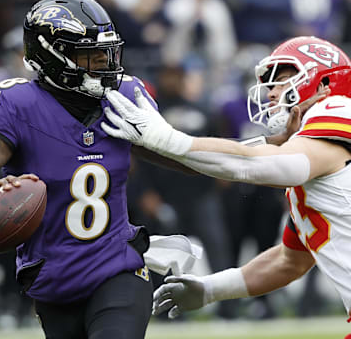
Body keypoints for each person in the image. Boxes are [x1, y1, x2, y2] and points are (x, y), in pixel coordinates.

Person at [0, 0, 199, 338]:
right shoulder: (16, 105)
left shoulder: (124, 96)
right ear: (51, 57)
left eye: (106, 53)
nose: (105, 63)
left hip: (117, 269)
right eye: (91, 56)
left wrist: (256, 155)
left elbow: (184, 154)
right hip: (52, 280)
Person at [100, 35, 351, 320]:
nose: (271, 93)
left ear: (324, 86)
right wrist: (210, 289)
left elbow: (255, 164)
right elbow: (288, 262)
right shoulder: (316, 168)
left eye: (282, 79)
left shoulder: (338, 109)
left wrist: (169, 139)